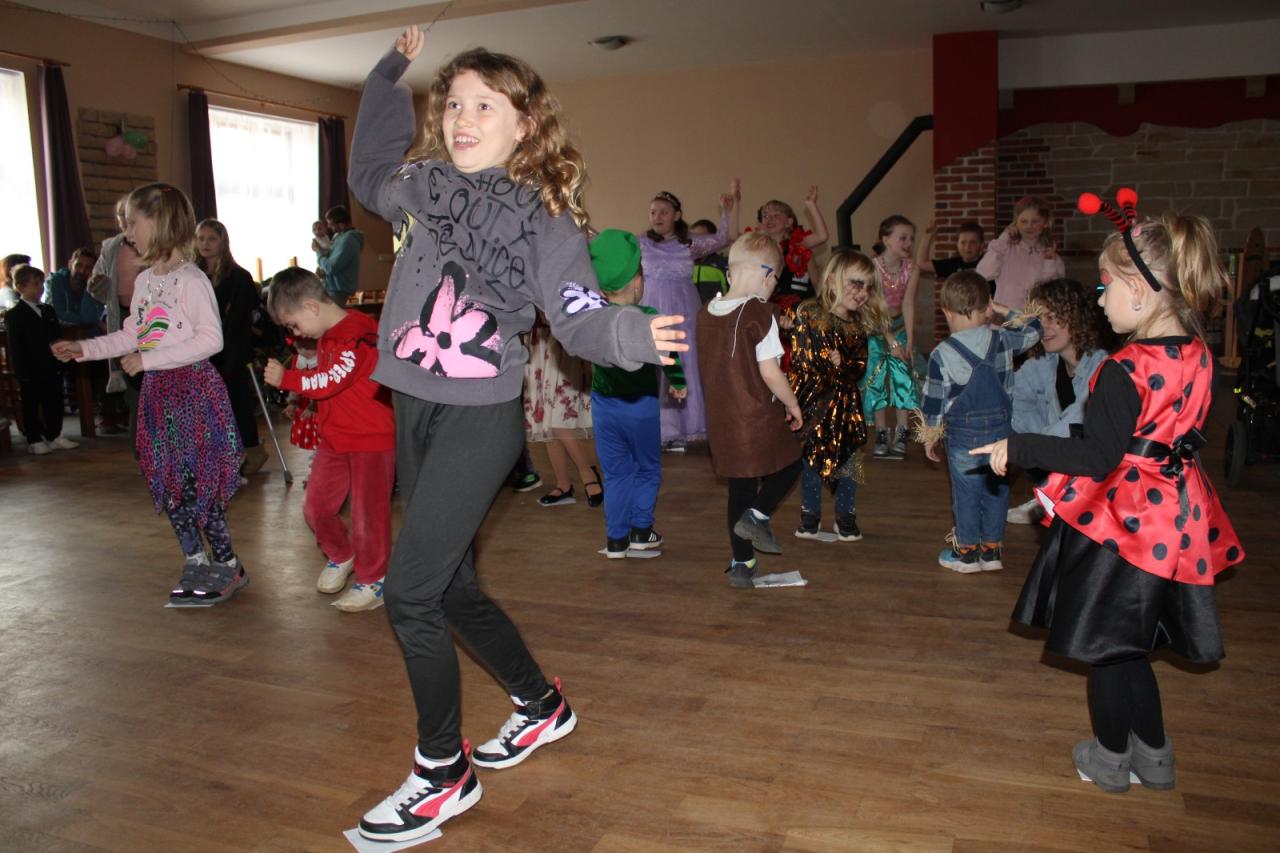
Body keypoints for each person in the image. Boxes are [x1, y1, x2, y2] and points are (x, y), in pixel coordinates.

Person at [345, 26, 687, 842]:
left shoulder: (543, 216)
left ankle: (442, 772)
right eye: (453, 104)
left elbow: (577, 314)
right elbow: (366, 169)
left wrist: (632, 333)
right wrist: (388, 75)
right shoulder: (422, 182)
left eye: (485, 106)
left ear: (525, 123)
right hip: (413, 403)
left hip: (479, 414)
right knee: (451, 586)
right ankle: (541, 704)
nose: (463, 118)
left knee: (410, 591)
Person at [972, 202, 1245, 794]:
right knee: (1131, 645)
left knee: (1106, 647)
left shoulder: (1125, 368)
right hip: (1176, 519)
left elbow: (1098, 456)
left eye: (1105, 288)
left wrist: (1020, 446)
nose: (1099, 302)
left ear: (1140, 294)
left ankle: (1111, 758)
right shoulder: (1199, 354)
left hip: (1124, 526)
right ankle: (1155, 756)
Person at [53, 183, 247, 607]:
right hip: (159, 396)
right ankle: (195, 559)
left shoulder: (191, 281)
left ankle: (228, 563)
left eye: (132, 224)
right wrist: (84, 349)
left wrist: (149, 360)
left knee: (197, 484)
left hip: (193, 393)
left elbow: (211, 340)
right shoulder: (143, 282)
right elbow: (132, 334)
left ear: (159, 222)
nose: (127, 234)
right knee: (167, 481)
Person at [264, 268, 396, 612]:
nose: (296, 334)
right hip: (335, 439)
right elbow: (330, 386)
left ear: (310, 306)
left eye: (293, 325)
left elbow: (331, 379)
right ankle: (342, 553)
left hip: (371, 439)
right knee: (316, 507)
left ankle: (374, 579)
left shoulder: (357, 333)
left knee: (368, 515)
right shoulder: (330, 334)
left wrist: (288, 379)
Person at [918, 270, 1042, 573]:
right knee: (997, 490)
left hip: (963, 436)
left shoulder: (941, 354)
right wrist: (1002, 310)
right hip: (1001, 433)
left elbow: (933, 401)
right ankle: (991, 551)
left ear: (947, 313)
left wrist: (930, 436)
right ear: (987, 308)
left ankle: (967, 553)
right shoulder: (1002, 339)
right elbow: (1035, 328)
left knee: (966, 494)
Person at [698, 232, 803, 589]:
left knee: (739, 489)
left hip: (722, 422)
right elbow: (771, 373)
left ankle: (742, 563)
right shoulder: (761, 314)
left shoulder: (705, 313)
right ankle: (758, 517)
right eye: (775, 281)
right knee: (792, 464)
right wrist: (792, 403)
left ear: (730, 273)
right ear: (767, 275)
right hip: (757, 418)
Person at [587, 228, 687, 556]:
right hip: (641, 407)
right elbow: (669, 355)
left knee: (616, 473)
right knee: (646, 468)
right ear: (638, 281)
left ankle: (616, 539)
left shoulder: (594, 319)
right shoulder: (648, 319)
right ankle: (641, 531)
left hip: (603, 407)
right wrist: (678, 382)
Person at [638, 184, 739, 451]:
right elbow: (609, 245)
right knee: (655, 367)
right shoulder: (642, 242)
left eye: (663, 211)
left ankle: (683, 428)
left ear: (677, 215)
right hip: (652, 310)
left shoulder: (688, 243)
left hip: (683, 312)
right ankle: (658, 430)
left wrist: (728, 210)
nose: (657, 216)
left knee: (683, 365)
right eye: (653, 212)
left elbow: (725, 237)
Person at [1007, 278, 1109, 524]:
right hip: (1059, 455)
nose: (1043, 327)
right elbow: (1010, 394)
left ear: (1075, 318)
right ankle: (1051, 492)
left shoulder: (1102, 366)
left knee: (1066, 429)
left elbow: (1073, 424)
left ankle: (1057, 496)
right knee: (1004, 412)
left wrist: (1023, 448)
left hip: (1101, 475)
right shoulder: (1047, 363)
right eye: (1038, 319)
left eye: (1052, 317)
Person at [790, 249, 873, 543]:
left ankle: (845, 515)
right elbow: (800, 358)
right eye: (856, 283)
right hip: (814, 404)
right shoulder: (809, 313)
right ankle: (809, 515)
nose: (863, 293)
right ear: (832, 280)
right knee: (811, 461)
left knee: (848, 462)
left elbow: (860, 366)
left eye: (868, 287)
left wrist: (844, 363)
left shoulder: (857, 327)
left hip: (845, 407)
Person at [195, 219, 267, 478]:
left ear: (223, 242)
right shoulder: (193, 275)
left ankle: (250, 449)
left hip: (231, 349)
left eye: (211, 239)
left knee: (236, 400)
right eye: (201, 238)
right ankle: (216, 453)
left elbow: (238, 320)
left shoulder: (239, 277)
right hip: (201, 348)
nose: (205, 244)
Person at [522, 311, 604, 508]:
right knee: (547, 421)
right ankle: (563, 485)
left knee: (558, 417)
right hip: (537, 342)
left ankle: (587, 473)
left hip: (563, 341)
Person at [89, 196, 147, 438]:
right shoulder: (111, 247)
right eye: (121, 217)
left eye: (130, 218)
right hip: (122, 316)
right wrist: (97, 283)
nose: (124, 222)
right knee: (134, 388)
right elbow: (97, 289)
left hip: (150, 317)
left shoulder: (151, 244)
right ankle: (141, 448)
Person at [5, 264, 77, 454]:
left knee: (54, 400)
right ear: (21, 287)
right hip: (30, 368)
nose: (40, 288)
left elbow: (56, 337)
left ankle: (54, 434)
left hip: (51, 364)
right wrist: (22, 371)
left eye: (42, 283)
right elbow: (16, 347)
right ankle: (34, 438)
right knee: (31, 402)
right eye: (35, 284)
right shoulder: (14, 314)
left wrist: (62, 357)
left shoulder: (48, 310)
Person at [866, 215, 922, 459]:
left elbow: (908, 303)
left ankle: (901, 431)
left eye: (911, 238)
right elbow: (873, 307)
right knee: (876, 379)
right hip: (875, 328)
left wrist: (909, 339)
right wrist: (890, 339)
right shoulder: (871, 268)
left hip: (898, 327)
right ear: (886, 239)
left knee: (903, 377)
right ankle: (881, 431)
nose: (908, 243)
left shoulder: (912, 268)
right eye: (903, 238)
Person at [977, 195, 1065, 309]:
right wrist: (1003, 239)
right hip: (1005, 317)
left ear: (1046, 223)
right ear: (1015, 223)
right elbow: (983, 274)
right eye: (1023, 221)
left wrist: (1049, 262)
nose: (1029, 226)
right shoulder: (1005, 249)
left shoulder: (1053, 258)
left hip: (1036, 318)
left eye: (1035, 221)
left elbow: (1054, 295)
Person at [754, 188, 830, 302]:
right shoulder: (758, 248)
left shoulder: (797, 245)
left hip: (799, 305)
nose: (769, 219)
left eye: (776, 215)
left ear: (789, 222)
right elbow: (733, 236)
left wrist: (811, 205)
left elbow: (822, 236)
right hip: (770, 307)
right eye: (765, 216)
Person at [44, 247, 104, 334]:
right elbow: (54, 316)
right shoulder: (54, 281)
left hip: (88, 337)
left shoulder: (94, 286)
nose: (82, 271)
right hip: (62, 336)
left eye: (88, 268)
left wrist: (89, 288)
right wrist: (86, 321)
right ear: (70, 264)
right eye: (78, 265)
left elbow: (96, 317)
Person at [314, 205, 364, 306]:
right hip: (331, 288)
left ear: (341, 224)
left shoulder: (349, 240)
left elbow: (331, 268)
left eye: (331, 224)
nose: (328, 227)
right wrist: (324, 273)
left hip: (337, 291)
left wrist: (318, 251)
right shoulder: (338, 237)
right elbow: (333, 264)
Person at [916, 219, 985, 279]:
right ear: (957, 245)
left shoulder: (988, 263)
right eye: (963, 242)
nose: (967, 247)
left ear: (981, 245)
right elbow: (922, 264)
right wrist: (928, 234)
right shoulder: (952, 264)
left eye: (973, 242)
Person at [689, 218, 728, 304]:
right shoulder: (686, 265)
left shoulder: (722, 264)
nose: (695, 242)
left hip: (715, 310)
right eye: (692, 238)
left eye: (700, 238)